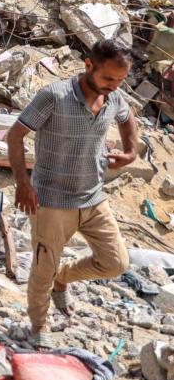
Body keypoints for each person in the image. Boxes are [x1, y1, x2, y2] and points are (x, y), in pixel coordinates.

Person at [7, 39, 136, 349]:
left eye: (120, 80)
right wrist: (23, 184)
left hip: (93, 198)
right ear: (89, 65)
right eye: (108, 78)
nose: (113, 86)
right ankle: (40, 324)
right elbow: (15, 134)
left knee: (116, 262)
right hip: (51, 200)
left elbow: (127, 117)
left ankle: (63, 277)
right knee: (42, 271)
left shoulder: (114, 97)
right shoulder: (55, 96)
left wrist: (130, 153)